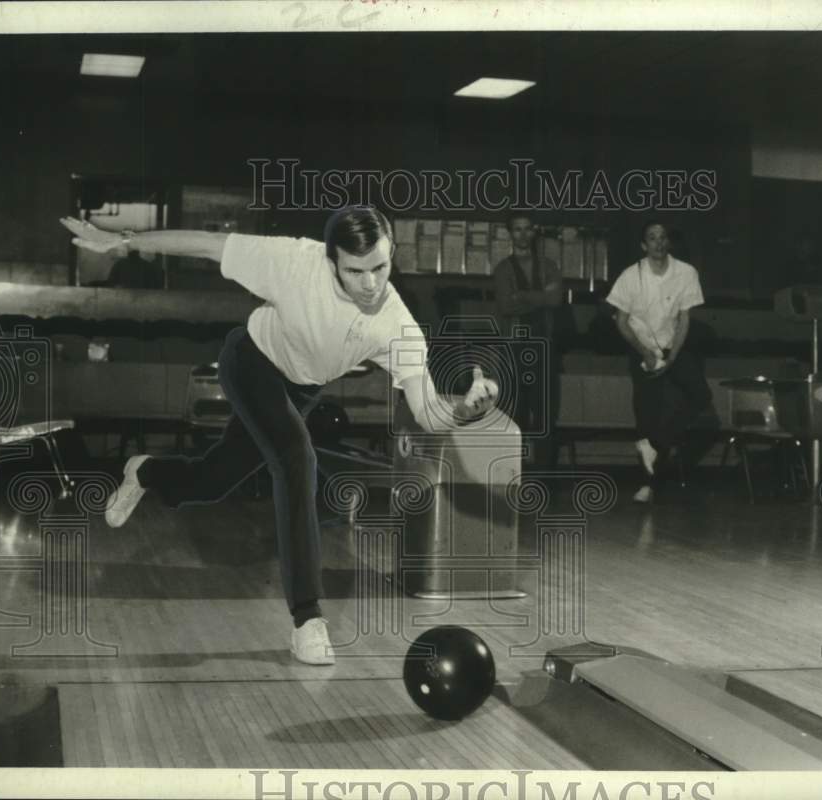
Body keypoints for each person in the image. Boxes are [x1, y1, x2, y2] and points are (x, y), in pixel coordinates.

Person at [60, 207, 499, 666]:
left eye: (380, 268)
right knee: (297, 458)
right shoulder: (293, 261)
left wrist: (462, 411)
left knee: (212, 480)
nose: (370, 284)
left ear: (393, 258)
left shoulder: (398, 325)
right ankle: (308, 620)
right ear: (331, 261)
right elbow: (206, 245)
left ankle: (145, 470)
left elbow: (427, 413)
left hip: (299, 389)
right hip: (251, 363)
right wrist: (123, 240)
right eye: (356, 271)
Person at [607, 219, 713, 503]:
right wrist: (645, 354)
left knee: (700, 395)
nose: (658, 242)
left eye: (663, 237)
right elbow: (621, 321)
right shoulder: (630, 276)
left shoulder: (686, 272)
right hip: (641, 349)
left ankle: (657, 443)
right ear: (644, 245)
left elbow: (685, 319)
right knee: (647, 416)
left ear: (669, 242)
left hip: (672, 348)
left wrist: (672, 357)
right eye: (652, 238)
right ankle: (648, 485)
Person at [492, 213, 564, 468]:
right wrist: (539, 296)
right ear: (511, 234)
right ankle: (514, 471)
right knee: (516, 412)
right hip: (514, 347)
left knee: (545, 413)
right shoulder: (503, 269)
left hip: (544, 347)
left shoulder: (549, 266)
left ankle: (544, 476)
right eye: (517, 230)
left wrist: (521, 296)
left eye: (527, 229)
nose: (523, 235)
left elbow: (555, 300)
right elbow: (506, 306)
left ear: (534, 232)